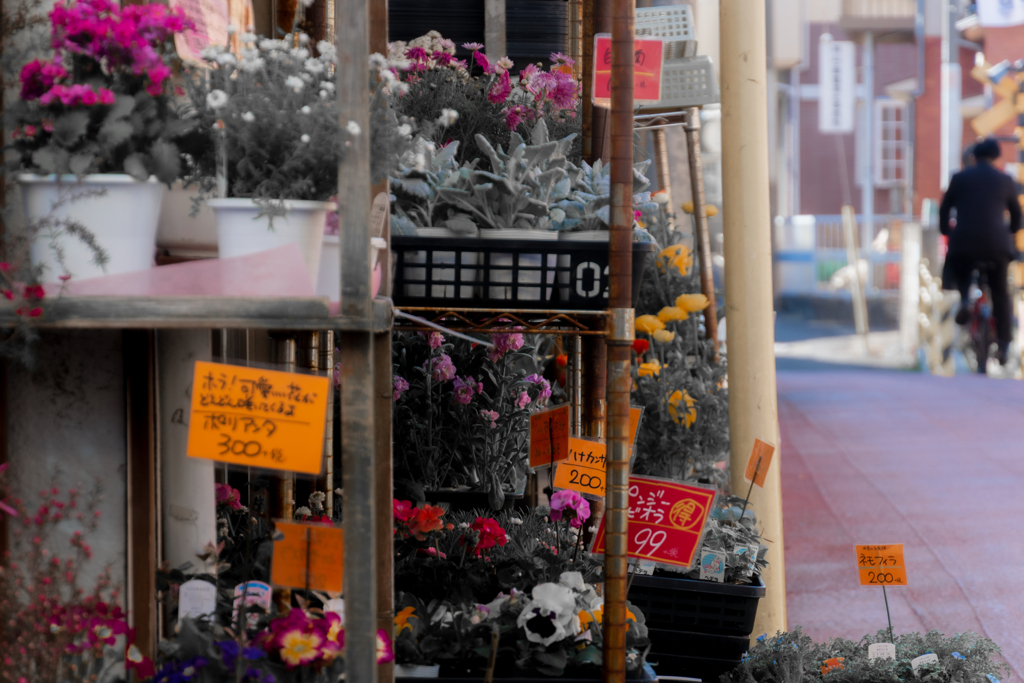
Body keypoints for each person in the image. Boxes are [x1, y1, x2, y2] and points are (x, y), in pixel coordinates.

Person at [939, 137, 1021, 365]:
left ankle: (965, 298)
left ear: (973, 157)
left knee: (962, 269)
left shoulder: (959, 178)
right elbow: (1016, 214)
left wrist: (947, 231)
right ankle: (1004, 344)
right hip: (997, 245)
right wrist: (1010, 233)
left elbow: (944, 209)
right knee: (1001, 293)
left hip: (964, 242)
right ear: (997, 157)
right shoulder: (1005, 180)